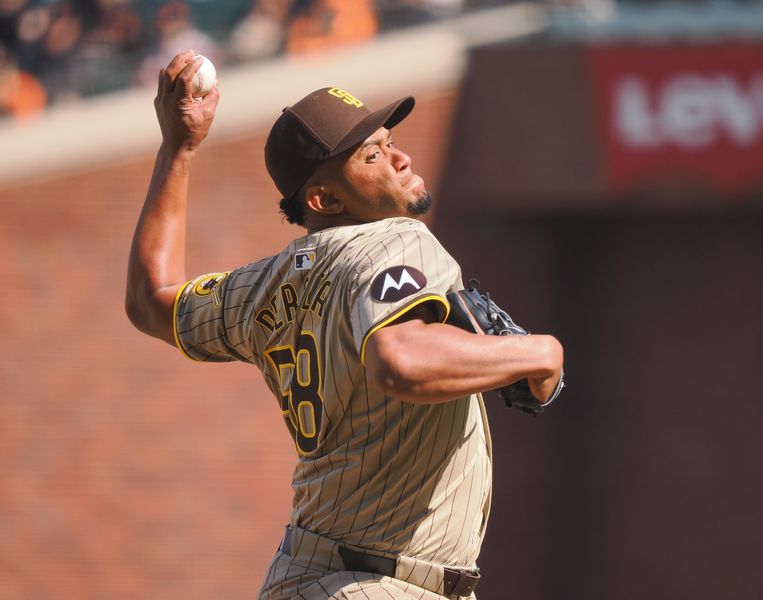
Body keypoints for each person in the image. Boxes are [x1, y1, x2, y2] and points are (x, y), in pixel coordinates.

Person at [125, 50, 564, 600]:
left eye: (390, 140)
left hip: (311, 576)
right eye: (373, 154)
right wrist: (541, 352)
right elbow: (401, 361)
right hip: (375, 583)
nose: (400, 157)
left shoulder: (264, 285)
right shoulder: (393, 238)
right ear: (325, 198)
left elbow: (151, 301)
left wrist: (179, 148)